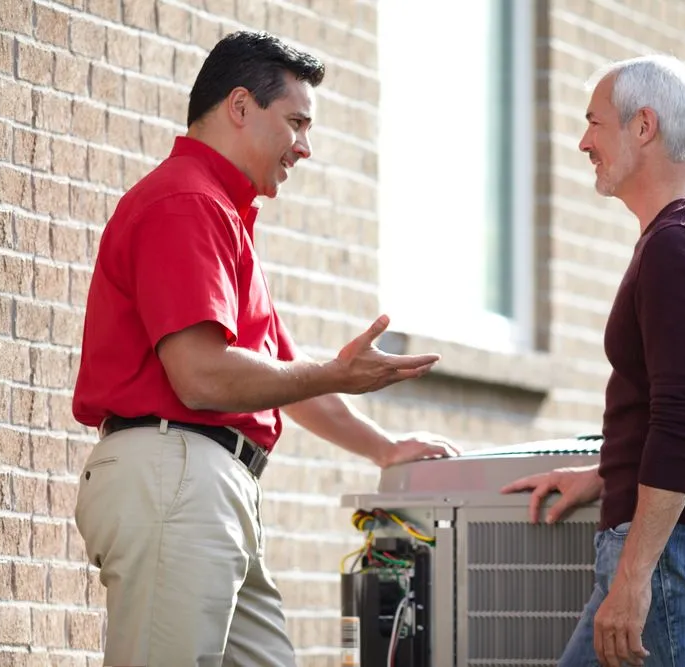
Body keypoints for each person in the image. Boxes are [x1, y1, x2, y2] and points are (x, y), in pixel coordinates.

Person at [71, 30, 459, 667]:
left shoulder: (222, 213)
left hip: (204, 485)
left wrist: (382, 448)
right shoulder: (186, 203)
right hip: (179, 476)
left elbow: (284, 376)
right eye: (298, 123)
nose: (306, 147)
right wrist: (337, 372)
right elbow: (202, 377)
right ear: (241, 106)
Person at [502, 55, 685, 667]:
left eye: (594, 122)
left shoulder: (679, 244)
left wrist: (634, 577)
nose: (583, 141)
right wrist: (606, 471)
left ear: (643, 126)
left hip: (670, 547)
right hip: (679, 538)